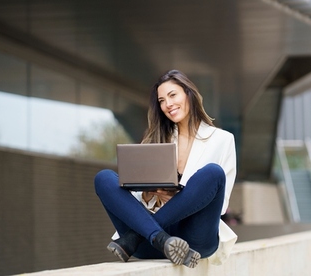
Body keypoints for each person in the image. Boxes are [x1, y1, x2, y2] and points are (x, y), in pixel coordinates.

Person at [94, 69, 237, 268]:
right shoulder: (155, 141)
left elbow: (221, 205)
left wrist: (177, 200)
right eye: (161, 100)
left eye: (172, 95)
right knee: (104, 178)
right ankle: (159, 238)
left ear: (188, 94)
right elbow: (134, 204)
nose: (167, 104)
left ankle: (135, 236)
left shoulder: (222, 139)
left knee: (213, 173)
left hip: (194, 239)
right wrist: (147, 195)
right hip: (152, 242)